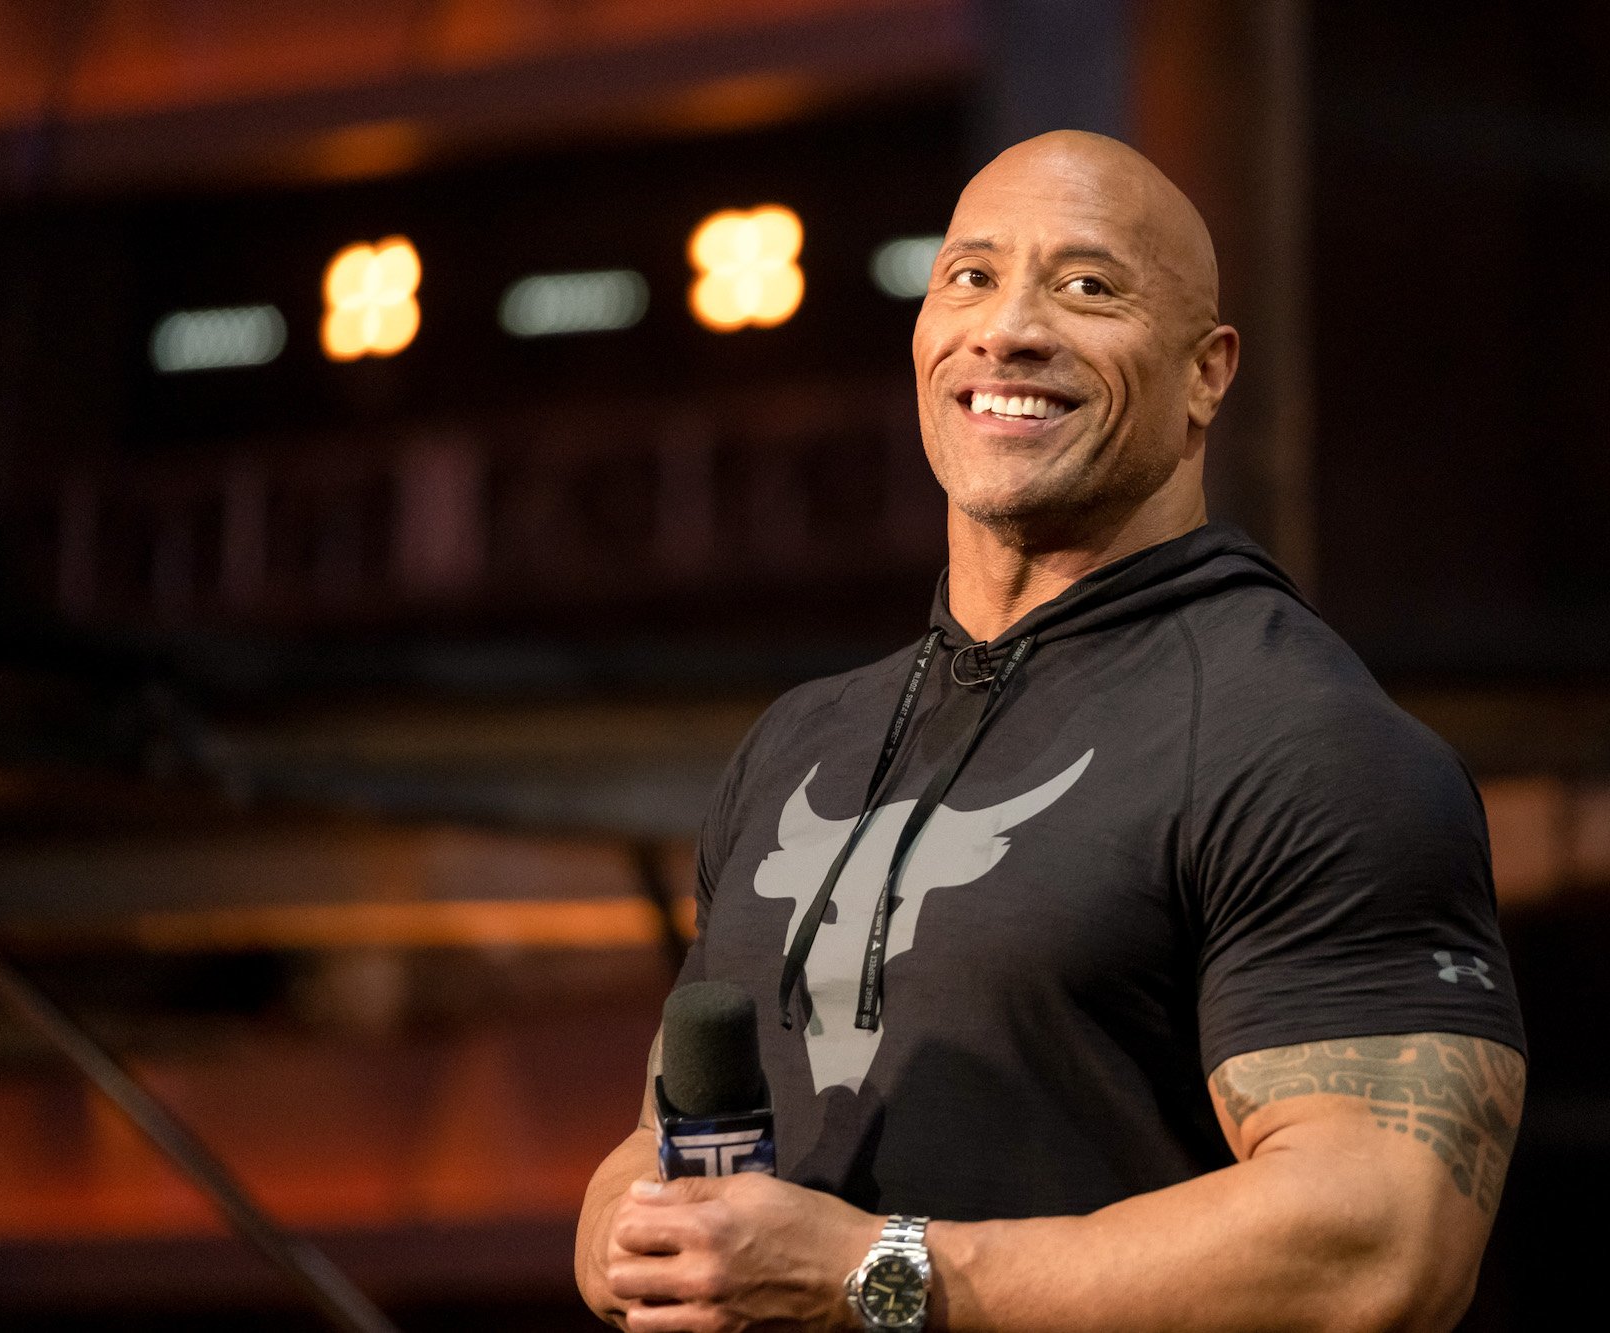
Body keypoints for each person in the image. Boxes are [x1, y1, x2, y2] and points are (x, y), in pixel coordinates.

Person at [575, 129, 1526, 1333]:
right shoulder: (799, 742)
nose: (1007, 329)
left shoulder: (1301, 740)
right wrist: (626, 1242)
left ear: (1205, 373)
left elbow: (1380, 1241)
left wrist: (877, 1272)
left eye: (1086, 287)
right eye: (969, 276)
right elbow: (652, 1148)